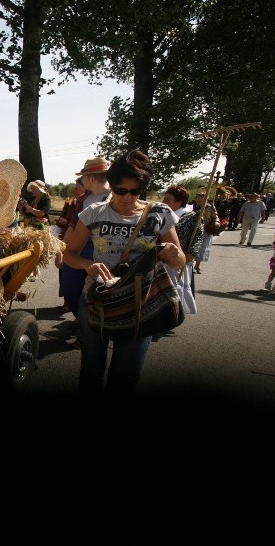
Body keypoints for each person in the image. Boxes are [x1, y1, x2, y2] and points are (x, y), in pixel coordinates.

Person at [61, 149, 184, 402]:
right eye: (120, 190)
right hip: (97, 301)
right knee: (91, 372)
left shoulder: (159, 214)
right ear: (111, 185)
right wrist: (88, 265)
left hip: (141, 304)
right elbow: (69, 254)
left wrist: (173, 254)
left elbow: (180, 261)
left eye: (135, 191)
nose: (127, 197)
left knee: (125, 377)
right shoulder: (93, 213)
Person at [59, 156, 111, 347]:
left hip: (98, 249)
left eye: (83, 177)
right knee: (70, 289)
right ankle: (81, 319)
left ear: (91, 177)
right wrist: (61, 250)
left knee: (93, 293)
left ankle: (89, 329)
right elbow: (73, 225)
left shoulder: (113, 198)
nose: (81, 181)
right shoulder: (83, 199)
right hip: (77, 249)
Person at [191, 191, 220, 273]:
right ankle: (189, 264)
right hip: (192, 229)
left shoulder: (210, 207)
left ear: (206, 199)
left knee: (202, 248)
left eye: (201, 197)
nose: (199, 199)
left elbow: (215, 216)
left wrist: (217, 222)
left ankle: (197, 266)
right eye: (197, 197)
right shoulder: (191, 207)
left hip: (205, 230)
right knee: (191, 247)